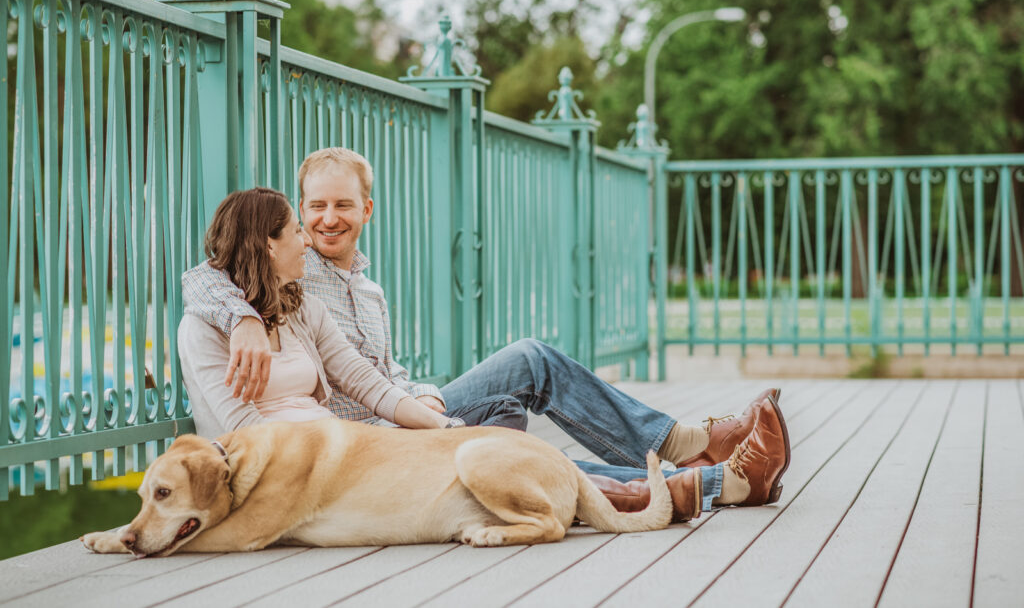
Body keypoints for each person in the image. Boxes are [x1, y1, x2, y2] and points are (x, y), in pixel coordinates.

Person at [182, 149, 790, 522]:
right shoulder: (291, 275)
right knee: (531, 361)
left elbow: (377, 377)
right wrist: (241, 316)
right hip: (360, 445)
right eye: (313, 207)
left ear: (367, 209)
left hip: (401, 414)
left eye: (342, 205)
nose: (325, 220)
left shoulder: (363, 289)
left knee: (506, 421)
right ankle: (696, 461)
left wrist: (422, 397)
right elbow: (205, 275)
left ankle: (688, 471)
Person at [179, 187, 525, 437]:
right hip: (300, 469)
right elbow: (244, 431)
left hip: (348, 446)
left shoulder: (303, 309)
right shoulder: (202, 328)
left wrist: (443, 427)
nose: (307, 241)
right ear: (270, 246)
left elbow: (365, 381)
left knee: (498, 415)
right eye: (297, 230)